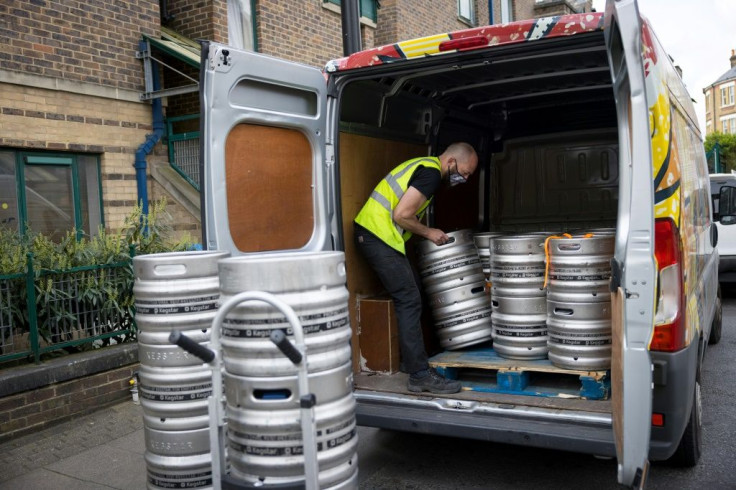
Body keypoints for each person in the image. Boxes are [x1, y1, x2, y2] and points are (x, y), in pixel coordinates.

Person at [353, 142, 479, 394]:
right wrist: (429, 232)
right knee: (409, 299)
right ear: (451, 161)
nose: (464, 178)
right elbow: (401, 215)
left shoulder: (424, 166)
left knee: (414, 291)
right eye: (465, 172)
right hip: (378, 236)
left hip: (377, 235)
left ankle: (415, 360)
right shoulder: (431, 173)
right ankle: (419, 375)